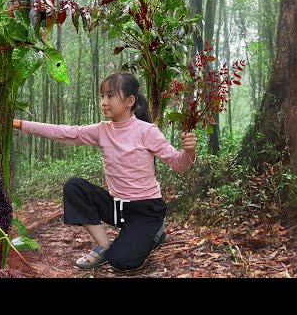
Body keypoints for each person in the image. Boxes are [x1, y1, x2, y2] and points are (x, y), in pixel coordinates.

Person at [12, 72, 197, 272]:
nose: (103, 102)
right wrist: (19, 124)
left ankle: (154, 233)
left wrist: (189, 151)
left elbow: (179, 164)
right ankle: (105, 246)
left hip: (146, 210)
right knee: (74, 187)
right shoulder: (102, 130)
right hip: (117, 208)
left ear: (129, 101)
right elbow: (64, 132)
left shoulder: (147, 131)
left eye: (110, 96)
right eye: (102, 97)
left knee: (122, 262)